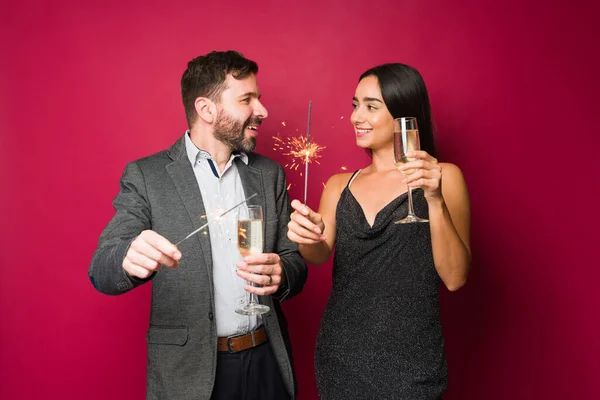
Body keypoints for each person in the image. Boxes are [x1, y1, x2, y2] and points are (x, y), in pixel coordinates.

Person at [89, 50, 307, 400]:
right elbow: (101, 269)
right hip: (188, 374)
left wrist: (284, 271)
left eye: (259, 99)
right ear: (206, 109)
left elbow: (293, 260)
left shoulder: (268, 175)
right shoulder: (147, 177)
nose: (262, 111)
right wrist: (128, 258)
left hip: (266, 360)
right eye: (247, 99)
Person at [287, 63, 471, 399]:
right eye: (355, 105)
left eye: (372, 106)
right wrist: (307, 237)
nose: (357, 117)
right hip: (340, 355)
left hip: (412, 361)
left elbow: (455, 277)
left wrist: (434, 201)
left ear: (404, 115)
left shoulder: (444, 176)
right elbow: (317, 256)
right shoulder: (340, 186)